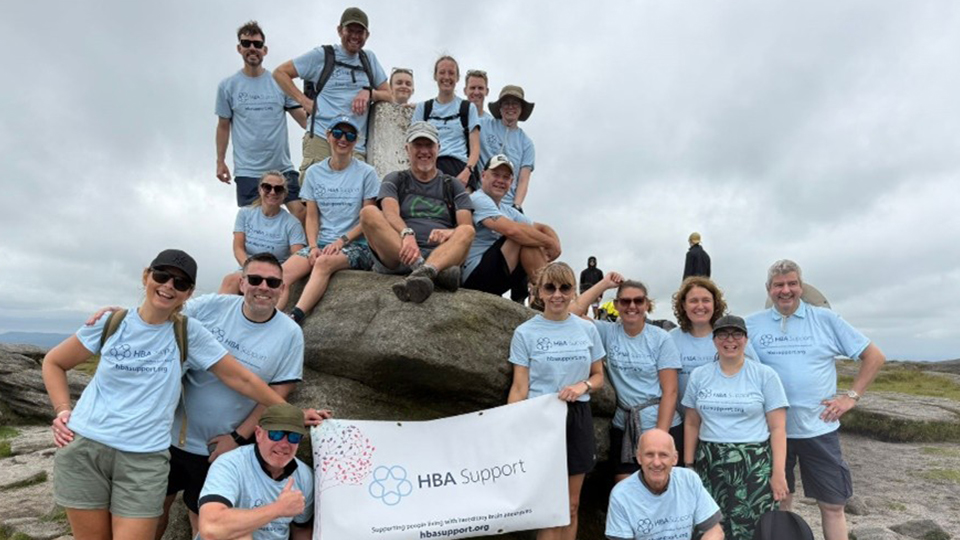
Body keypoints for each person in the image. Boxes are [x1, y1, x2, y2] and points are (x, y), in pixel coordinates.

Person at [41, 249, 309, 540]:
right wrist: (62, 410)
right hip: (85, 449)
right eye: (162, 275)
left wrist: (292, 414)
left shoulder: (189, 333)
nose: (169, 285)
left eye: (180, 283)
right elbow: (54, 362)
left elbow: (242, 379)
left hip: (144, 457)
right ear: (147, 276)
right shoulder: (112, 323)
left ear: (188, 293)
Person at [746, 259, 886, 540]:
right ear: (768, 289)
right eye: (778, 285)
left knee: (833, 504)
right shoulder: (751, 324)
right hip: (772, 431)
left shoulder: (826, 320)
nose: (785, 290)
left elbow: (874, 356)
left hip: (819, 428)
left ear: (801, 286)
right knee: (779, 501)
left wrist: (851, 397)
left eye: (792, 283)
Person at [507, 262, 605, 540]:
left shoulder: (587, 330)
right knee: (550, 509)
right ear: (538, 292)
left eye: (565, 288)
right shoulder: (525, 333)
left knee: (571, 506)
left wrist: (581, 385)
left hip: (578, 416)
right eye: (550, 287)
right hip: (541, 419)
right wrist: (512, 427)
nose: (557, 294)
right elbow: (519, 386)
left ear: (574, 291)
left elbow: (598, 377)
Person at [682, 315, 789, 540]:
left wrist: (778, 473)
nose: (730, 340)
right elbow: (692, 422)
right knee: (710, 525)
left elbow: (778, 428)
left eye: (736, 334)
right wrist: (689, 464)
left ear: (746, 339)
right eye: (723, 334)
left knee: (752, 526)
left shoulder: (765, 375)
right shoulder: (699, 375)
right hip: (709, 461)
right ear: (714, 340)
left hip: (753, 463)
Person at [573, 272, 683, 482]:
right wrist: (604, 284)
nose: (632, 306)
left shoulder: (661, 339)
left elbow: (670, 392)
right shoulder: (607, 332)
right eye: (625, 301)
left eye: (638, 301)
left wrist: (659, 437)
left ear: (646, 305)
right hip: (625, 427)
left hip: (661, 422)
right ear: (616, 304)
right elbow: (572, 313)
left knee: (661, 487)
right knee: (625, 488)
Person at [274, 117, 380, 324]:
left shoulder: (367, 173)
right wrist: (313, 246)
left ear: (356, 140)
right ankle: (270, 319)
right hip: (322, 243)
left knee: (323, 263)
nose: (343, 139)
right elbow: (312, 216)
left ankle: (295, 318)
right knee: (282, 272)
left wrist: (342, 241)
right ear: (329, 136)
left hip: (357, 246)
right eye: (338, 133)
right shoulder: (314, 173)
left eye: (350, 135)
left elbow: (369, 218)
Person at [359, 121, 475, 303]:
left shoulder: (452, 185)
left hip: (439, 255)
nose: (424, 151)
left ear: (438, 148)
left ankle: (425, 272)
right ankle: (426, 270)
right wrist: (407, 234)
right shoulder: (395, 179)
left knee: (467, 231)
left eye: (429, 145)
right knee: (368, 212)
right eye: (417, 145)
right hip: (399, 253)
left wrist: (449, 232)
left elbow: (466, 226)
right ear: (407, 148)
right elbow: (389, 213)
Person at [273, 7, 390, 177]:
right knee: (313, 198)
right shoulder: (322, 55)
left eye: (360, 32)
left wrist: (369, 93)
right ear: (339, 30)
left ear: (367, 35)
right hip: (321, 138)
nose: (355, 36)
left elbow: (389, 95)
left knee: (355, 200)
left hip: (354, 143)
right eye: (350, 30)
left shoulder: (368, 59)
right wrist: (303, 100)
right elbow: (280, 73)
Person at [216, 21, 307, 222]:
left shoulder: (278, 82)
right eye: (246, 43)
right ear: (239, 48)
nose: (252, 48)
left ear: (264, 50)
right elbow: (223, 126)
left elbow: (303, 119)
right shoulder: (227, 86)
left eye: (257, 44)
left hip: (281, 167)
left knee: (301, 213)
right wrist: (220, 161)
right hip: (248, 170)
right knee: (256, 224)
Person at [197, 403, 314, 540]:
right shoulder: (230, 464)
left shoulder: (304, 476)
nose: (284, 444)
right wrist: (278, 509)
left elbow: (301, 530)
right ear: (258, 434)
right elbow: (211, 528)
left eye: (294, 437)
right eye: (276, 434)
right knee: (240, 535)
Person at [462, 154, 560, 295]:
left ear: (511, 182)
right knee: (521, 237)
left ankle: (550, 292)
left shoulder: (506, 209)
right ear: (483, 175)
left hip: (497, 275)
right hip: (474, 276)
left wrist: (555, 243)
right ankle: (551, 293)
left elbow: (541, 228)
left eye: (506, 177)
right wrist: (549, 243)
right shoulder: (478, 198)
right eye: (496, 175)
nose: (500, 181)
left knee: (528, 236)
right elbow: (512, 231)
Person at [605, 429, 723, 540]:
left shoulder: (689, 480)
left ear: (675, 459)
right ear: (639, 457)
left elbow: (715, 531)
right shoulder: (621, 495)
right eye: (649, 455)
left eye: (663, 455)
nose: (656, 462)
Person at [670, 277, 759, 411]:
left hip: (723, 421)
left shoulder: (733, 340)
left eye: (706, 300)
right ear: (683, 305)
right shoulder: (670, 339)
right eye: (693, 301)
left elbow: (757, 376)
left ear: (715, 304)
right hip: (682, 423)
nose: (700, 306)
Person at [218, 172, 306, 295]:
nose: (272, 192)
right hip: (247, 268)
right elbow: (238, 247)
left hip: (275, 272)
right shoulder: (245, 214)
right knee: (230, 280)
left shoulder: (292, 223)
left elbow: (297, 255)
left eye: (278, 189)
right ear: (260, 189)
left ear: (284, 194)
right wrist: (250, 269)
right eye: (267, 187)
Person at [412, 56, 481, 191]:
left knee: (462, 210)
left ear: (457, 78)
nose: (446, 77)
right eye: (442, 72)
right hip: (430, 165)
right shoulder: (423, 108)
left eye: (451, 73)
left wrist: (466, 173)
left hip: (460, 167)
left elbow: (475, 149)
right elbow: (412, 145)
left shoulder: (467, 108)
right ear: (435, 76)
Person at [480, 85, 536, 210]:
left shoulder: (526, 143)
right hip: (480, 198)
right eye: (506, 103)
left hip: (506, 205)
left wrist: (516, 205)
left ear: (521, 109)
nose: (510, 107)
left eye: (515, 104)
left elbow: (523, 180)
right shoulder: (483, 125)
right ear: (500, 108)